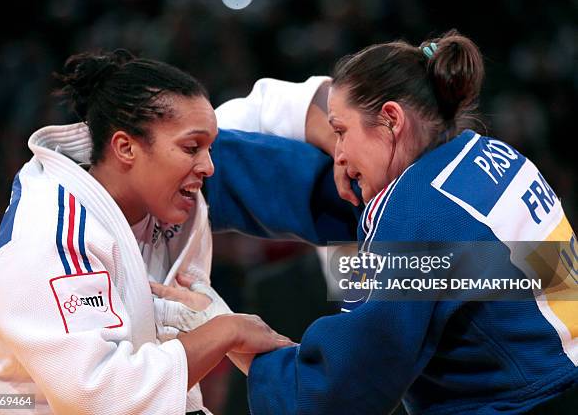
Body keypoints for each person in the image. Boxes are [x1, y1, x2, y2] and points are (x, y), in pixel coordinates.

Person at [203, 30, 577, 414]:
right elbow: (444, 257)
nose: (340, 154)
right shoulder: (490, 153)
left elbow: (341, 390)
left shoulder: (418, 212)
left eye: (341, 132)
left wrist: (231, 337)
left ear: (391, 120)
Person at [0, 49, 300, 415]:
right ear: (126, 147)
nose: (209, 166)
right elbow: (98, 396)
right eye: (192, 148)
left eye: (209, 148)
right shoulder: (54, 235)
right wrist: (224, 332)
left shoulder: (174, 208)